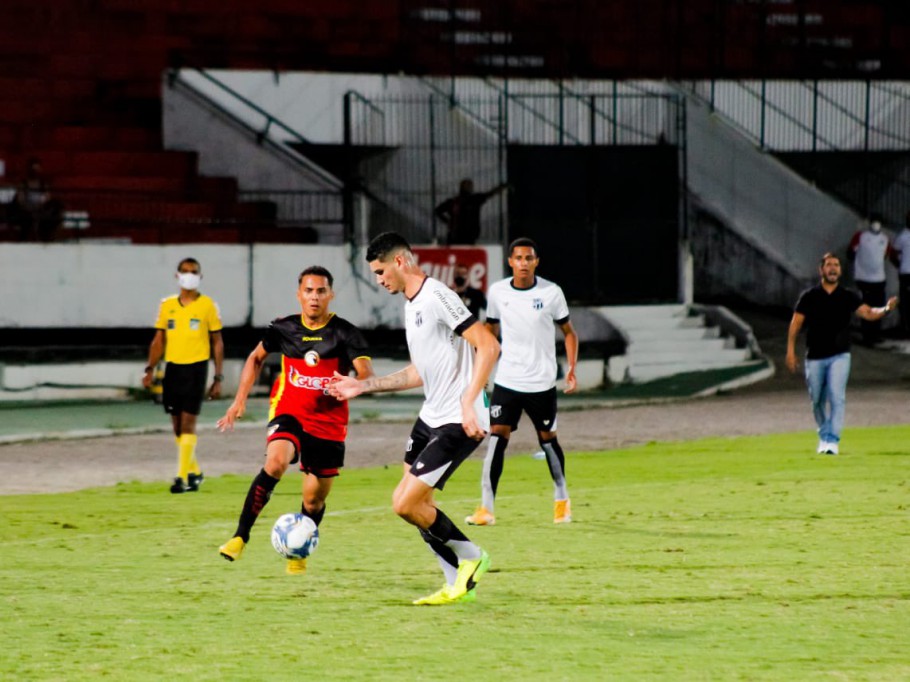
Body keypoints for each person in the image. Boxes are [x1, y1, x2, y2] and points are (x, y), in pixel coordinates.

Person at [329, 232, 501, 605]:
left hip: (459, 420)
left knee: (405, 504)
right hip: (430, 416)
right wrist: (363, 386)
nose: (379, 280)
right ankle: (455, 583)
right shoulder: (411, 304)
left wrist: (469, 401)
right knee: (413, 506)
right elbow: (418, 372)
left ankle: (472, 556)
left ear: (400, 261)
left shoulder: (438, 296)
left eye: (380, 272)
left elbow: (489, 345)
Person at [216, 266, 373, 574]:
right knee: (275, 463)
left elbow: (366, 373)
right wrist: (239, 400)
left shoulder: (346, 333)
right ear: (299, 294)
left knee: (313, 502)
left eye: (321, 291)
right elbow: (255, 357)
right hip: (289, 411)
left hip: (328, 422)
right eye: (308, 291)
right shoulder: (283, 328)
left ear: (331, 295)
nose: (314, 297)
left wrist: (354, 384)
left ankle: (298, 550)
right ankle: (239, 537)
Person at [465, 237, 579, 527]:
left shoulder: (551, 292)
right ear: (510, 262)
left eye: (529, 258)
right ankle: (486, 508)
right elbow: (489, 330)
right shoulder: (498, 292)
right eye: (518, 258)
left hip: (541, 382)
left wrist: (571, 369)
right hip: (508, 380)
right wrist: (480, 366)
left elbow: (569, 332)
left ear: (536, 262)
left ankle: (562, 500)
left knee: (548, 440)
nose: (524, 263)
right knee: (496, 437)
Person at [786, 252, 897, 455]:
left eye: (836, 265)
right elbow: (796, 324)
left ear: (840, 270)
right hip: (815, 356)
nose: (833, 268)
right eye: (829, 265)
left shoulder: (847, 296)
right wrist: (790, 351)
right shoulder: (809, 297)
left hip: (840, 355)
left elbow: (868, 313)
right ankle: (824, 435)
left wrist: (886, 309)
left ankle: (832, 441)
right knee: (817, 400)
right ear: (821, 270)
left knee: (837, 397)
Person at [142, 257, 224, 493]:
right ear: (177, 276)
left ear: (200, 276)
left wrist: (218, 377)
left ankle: (181, 478)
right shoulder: (167, 305)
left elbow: (217, 342)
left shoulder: (208, 306)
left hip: (196, 368)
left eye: (194, 271)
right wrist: (150, 368)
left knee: (188, 423)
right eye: (185, 271)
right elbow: (159, 340)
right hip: (173, 369)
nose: (189, 275)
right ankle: (195, 472)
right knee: (177, 426)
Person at [848, 217, 896, 345]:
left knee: (869, 306)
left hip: (866, 278)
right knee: (876, 307)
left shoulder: (861, 236)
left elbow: (850, 254)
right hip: (875, 279)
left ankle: (869, 335)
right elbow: (887, 256)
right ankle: (872, 335)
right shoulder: (884, 239)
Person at [434, 178, 508, 245]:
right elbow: (490, 194)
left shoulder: (456, 201)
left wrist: (448, 221)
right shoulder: (473, 200)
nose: (470, 187)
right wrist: (447, 221)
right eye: (469, 186)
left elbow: (437, 211)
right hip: (465, 235)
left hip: (459, 235)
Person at [10, 157, 63, 242]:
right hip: (26, 212)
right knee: (27, 219)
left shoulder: (43, 185)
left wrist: (40, 208)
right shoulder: (23, 184)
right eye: (33, 169)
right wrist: (30, 209)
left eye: (37, 169)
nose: (35, 172)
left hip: (41, 212)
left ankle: (46, 238)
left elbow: (47, 198)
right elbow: (21, 201)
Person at [890, 210, 910, 337]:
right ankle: (905, 328)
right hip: (906, 274)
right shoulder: (903, 236)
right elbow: (893, 254)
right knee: (905, 302)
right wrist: (900, 265)